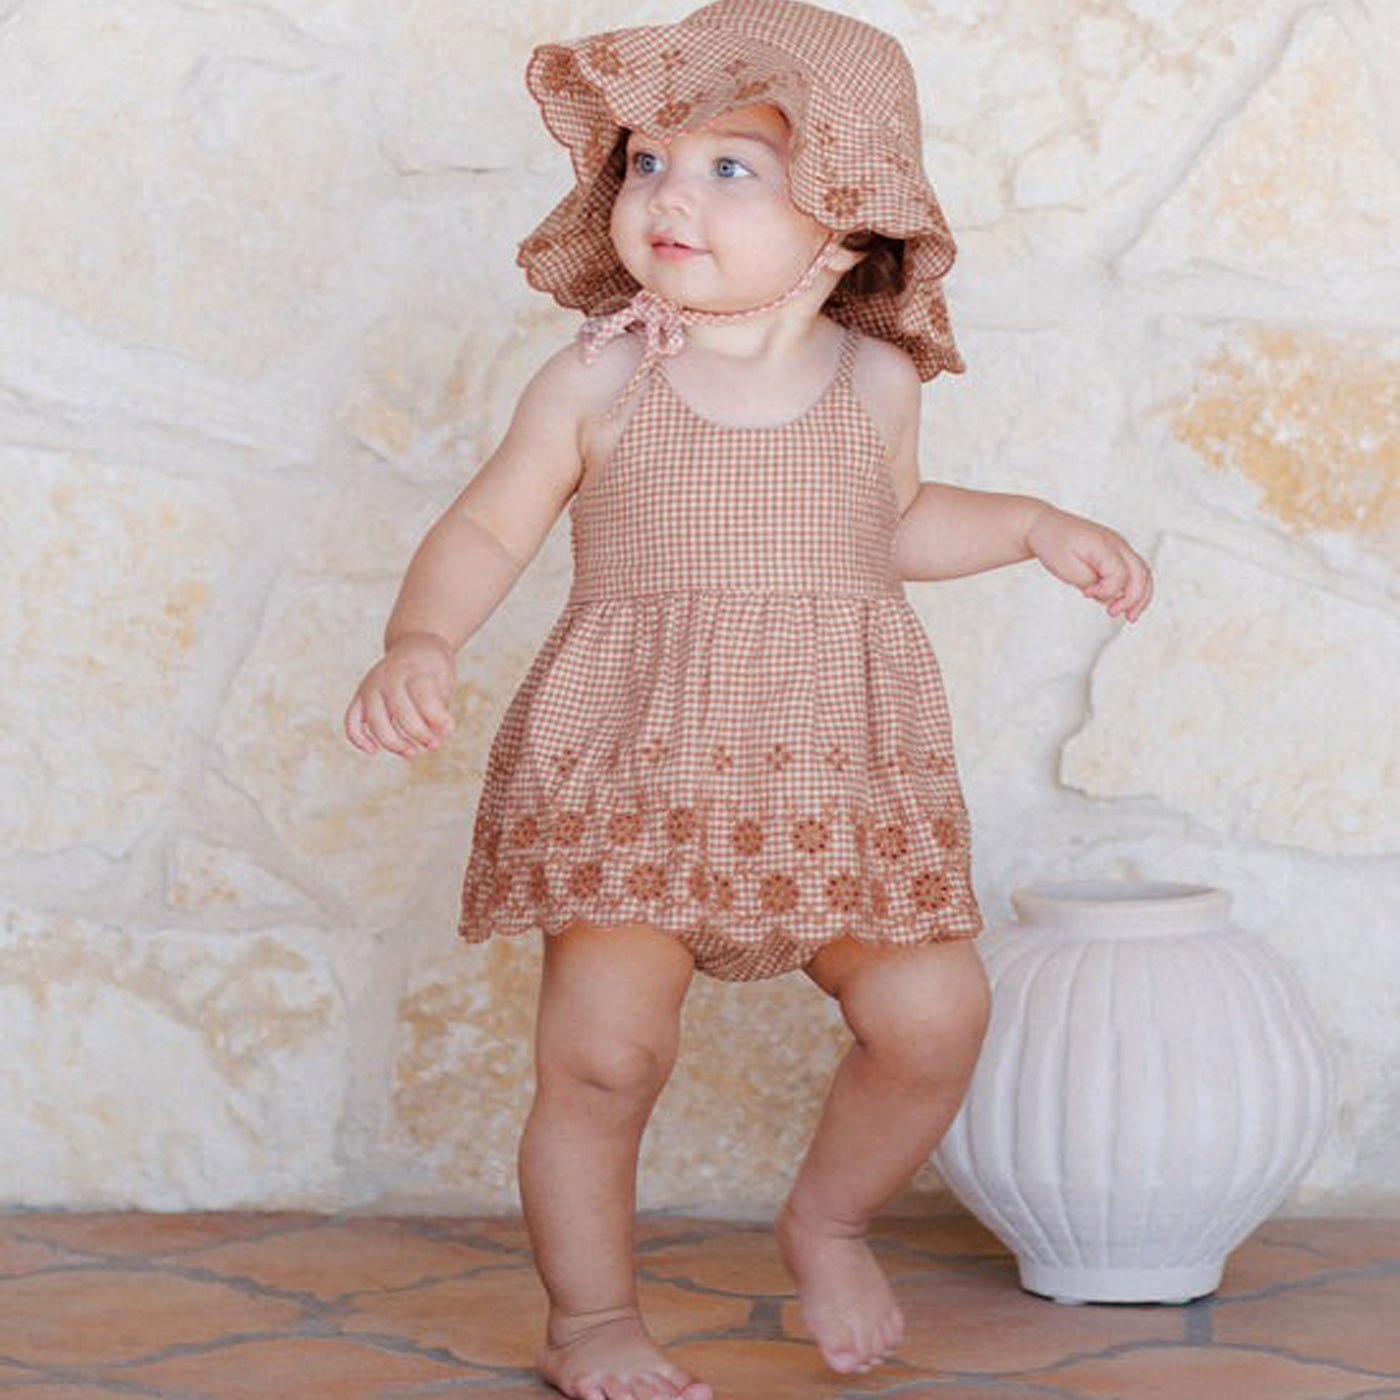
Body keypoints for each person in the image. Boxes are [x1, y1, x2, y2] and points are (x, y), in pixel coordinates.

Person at [345, 3, 1153, 1397]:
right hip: (638, 774)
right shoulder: (601, 376)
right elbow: (489, 524)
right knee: (603, 1063)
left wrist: (1028, 525)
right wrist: (420, 638)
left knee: (933, 1018)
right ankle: (592, 1321)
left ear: (845, 225)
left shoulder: (876, 381)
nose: (669, 194)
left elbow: (886, 525)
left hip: (831, 785)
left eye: (733, 168)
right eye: (650, 160)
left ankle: (827, 1220)